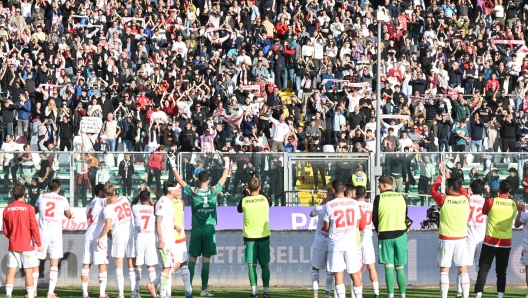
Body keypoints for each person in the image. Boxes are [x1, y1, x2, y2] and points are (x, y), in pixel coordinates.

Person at [171, 154, 230, 297]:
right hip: (209, 230)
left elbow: (179, 180)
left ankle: (188, 289)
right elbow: (223, 178)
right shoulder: (214, 191)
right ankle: (203, 290)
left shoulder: (192, 192)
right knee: (206, 260)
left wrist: (173, 163)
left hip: (196, 230)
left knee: (192, 258)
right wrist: (227, 163)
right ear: (209, 180)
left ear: (197, 180)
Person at [146, 181, 193, 298]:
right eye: (178, 189)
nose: (180, 190)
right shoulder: (163, 202)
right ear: (171, 191)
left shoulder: (169, 202)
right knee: (167, 267)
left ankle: (156, 287)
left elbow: (165, 220)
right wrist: (161, 239)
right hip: (165, 241)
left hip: (169, 240)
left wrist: (174, 226)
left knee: (168, 267)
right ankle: (162, 293)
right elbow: (158, 221)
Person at [430, 166, 471, 298]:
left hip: (446, 239)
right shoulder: (466, 199)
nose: (445, 188)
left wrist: (441, 176)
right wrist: (450, 179)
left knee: (444, 270)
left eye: (447, 186)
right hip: (461, 239)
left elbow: (432, 190)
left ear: (451, 188)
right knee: (463, 269)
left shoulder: (444, 199)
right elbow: (463, 192)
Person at [474, 180, 520, 298]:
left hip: (490, 241)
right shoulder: (514, 204)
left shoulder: (492, 201)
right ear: (509, 190)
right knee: (501, 271)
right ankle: (500, 296)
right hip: (505, 242)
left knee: (484, 268)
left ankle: (478, 294)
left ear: (499, 189)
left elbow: (484, 211)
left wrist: (489, 196)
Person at [322, 179, 365, 298]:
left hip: (336, 244)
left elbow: (326, 227)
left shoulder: (329, 205)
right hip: (351, 243)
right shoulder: (354, 203)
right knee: (355, 274)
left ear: (333, 190)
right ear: (345, 189)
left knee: (338, 275)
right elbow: (357, 224)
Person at [32, 179, 72, 298]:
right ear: (58, 188)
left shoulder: (42, 197)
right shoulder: (63, 199)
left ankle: (33, 290)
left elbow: (35, 211)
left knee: (36, 261)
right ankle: (50, 293)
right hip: (56, 234)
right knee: (54, 262)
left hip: (42, 233)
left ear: (49, 187)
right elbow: (69, 215)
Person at [97, 183, 138, 298]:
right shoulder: (124, 199)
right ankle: (134, 293)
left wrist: (101, 237)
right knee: (131, 265)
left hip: (119, 236)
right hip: (131, 234)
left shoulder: (107, 208)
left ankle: (121, 294)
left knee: (119, 266)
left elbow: (108, 225)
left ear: (105, 194)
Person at [3, 184, 42, 298]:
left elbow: (5, 230)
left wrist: (13, 237)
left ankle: (8, 295)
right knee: (28, 272)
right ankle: (30, 295)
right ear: (24, 194)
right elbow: (34, 227)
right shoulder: (29, 208)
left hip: (13, 245)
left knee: (11, 271)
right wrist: (39, 244)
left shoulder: (7, 209)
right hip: (27, 246)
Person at [373, 175, 409, 298]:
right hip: (400, 234)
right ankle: (403, 295)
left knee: (388, 266)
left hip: (385, 235)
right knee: (400, 267)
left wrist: (378, 230)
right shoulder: (401, 197)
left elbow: (375, 218)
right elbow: (406, 215)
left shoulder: (379, 198)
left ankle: (391, 295)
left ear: (384, 185)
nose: (378, 186)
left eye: (379, 184)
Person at [237, 177, 272, 298]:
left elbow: (239, 210)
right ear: (260, 187)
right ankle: (266, 292)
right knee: (265, 265)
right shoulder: (265, 199)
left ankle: (254, 292)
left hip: (250, 237)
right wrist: (259, 191)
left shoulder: (245, 201)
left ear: (248, 187)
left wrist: (245, 194)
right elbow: (269, 201)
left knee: (251, 265)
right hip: (263, 236)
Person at [81, 183, 116, 298]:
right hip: (97, 238)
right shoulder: (100, 202)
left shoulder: (89, 204)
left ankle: (85, 294)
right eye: (104, 192)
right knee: (102, 265)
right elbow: (113, 199)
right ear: (101, 192)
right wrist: (113, 193)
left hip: (88, 236)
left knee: (86, 265)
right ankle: (101, 294)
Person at [456, 179, 487, 298]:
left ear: (471, 189)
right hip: (482, 239)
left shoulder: (466, 200)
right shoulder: (486, 202)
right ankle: (478, 294)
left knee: (463, 267)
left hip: (468, 238)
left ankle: (460, 293)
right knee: (481, 269)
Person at [130, 185, 159, 298]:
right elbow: (156, 205)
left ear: (141, 199)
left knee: (139, 266)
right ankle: (154, 292)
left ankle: (136, 292)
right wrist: (149, 194)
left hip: (140, 239)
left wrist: (140, 192)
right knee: (151, 266)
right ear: (149, 198)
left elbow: (132, 203)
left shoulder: (136, 208)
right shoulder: (153, 209)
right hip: (150, 239)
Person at [354, 186, 381, 298]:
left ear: (355, 194)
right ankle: (376, 293)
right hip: (367, 237)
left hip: (355, 238)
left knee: (356, 269)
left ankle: (358, 294)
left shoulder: (353, 205)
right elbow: (375, 219)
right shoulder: (370, 206)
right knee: (371, 266)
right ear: (365, 194)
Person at [309, 189, 335, 298]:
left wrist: (323, 202)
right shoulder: (335, 208)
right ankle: (327, 294)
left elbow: (311, 214)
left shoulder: (320, 208)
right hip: (332, 242)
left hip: (319, 242)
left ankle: (315, 294)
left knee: (315, 268)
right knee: (330, 270)